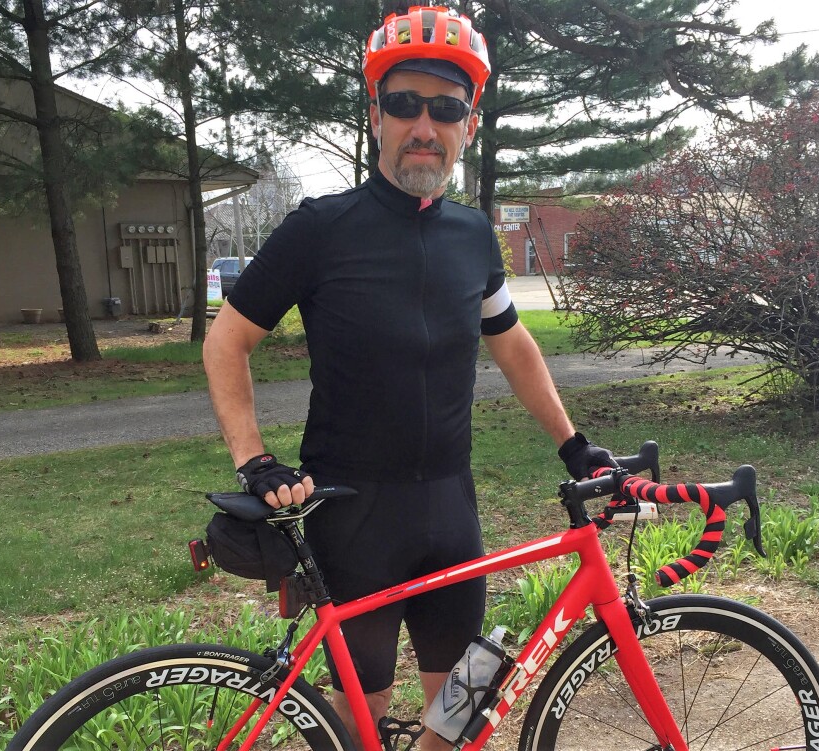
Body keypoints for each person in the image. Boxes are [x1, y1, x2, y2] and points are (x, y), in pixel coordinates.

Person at [203, 7, 615, 750]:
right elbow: (226, 341)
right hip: (351, 514)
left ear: (470, 124)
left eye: (445, 108)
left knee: (459, 712)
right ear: (376, 115)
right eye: (404, 104)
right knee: (362, 726)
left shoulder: (472, 234)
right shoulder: (320, 227)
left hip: (450, 507)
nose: (424, 125)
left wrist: (573, 444)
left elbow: (513, 342)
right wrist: (253, 458)